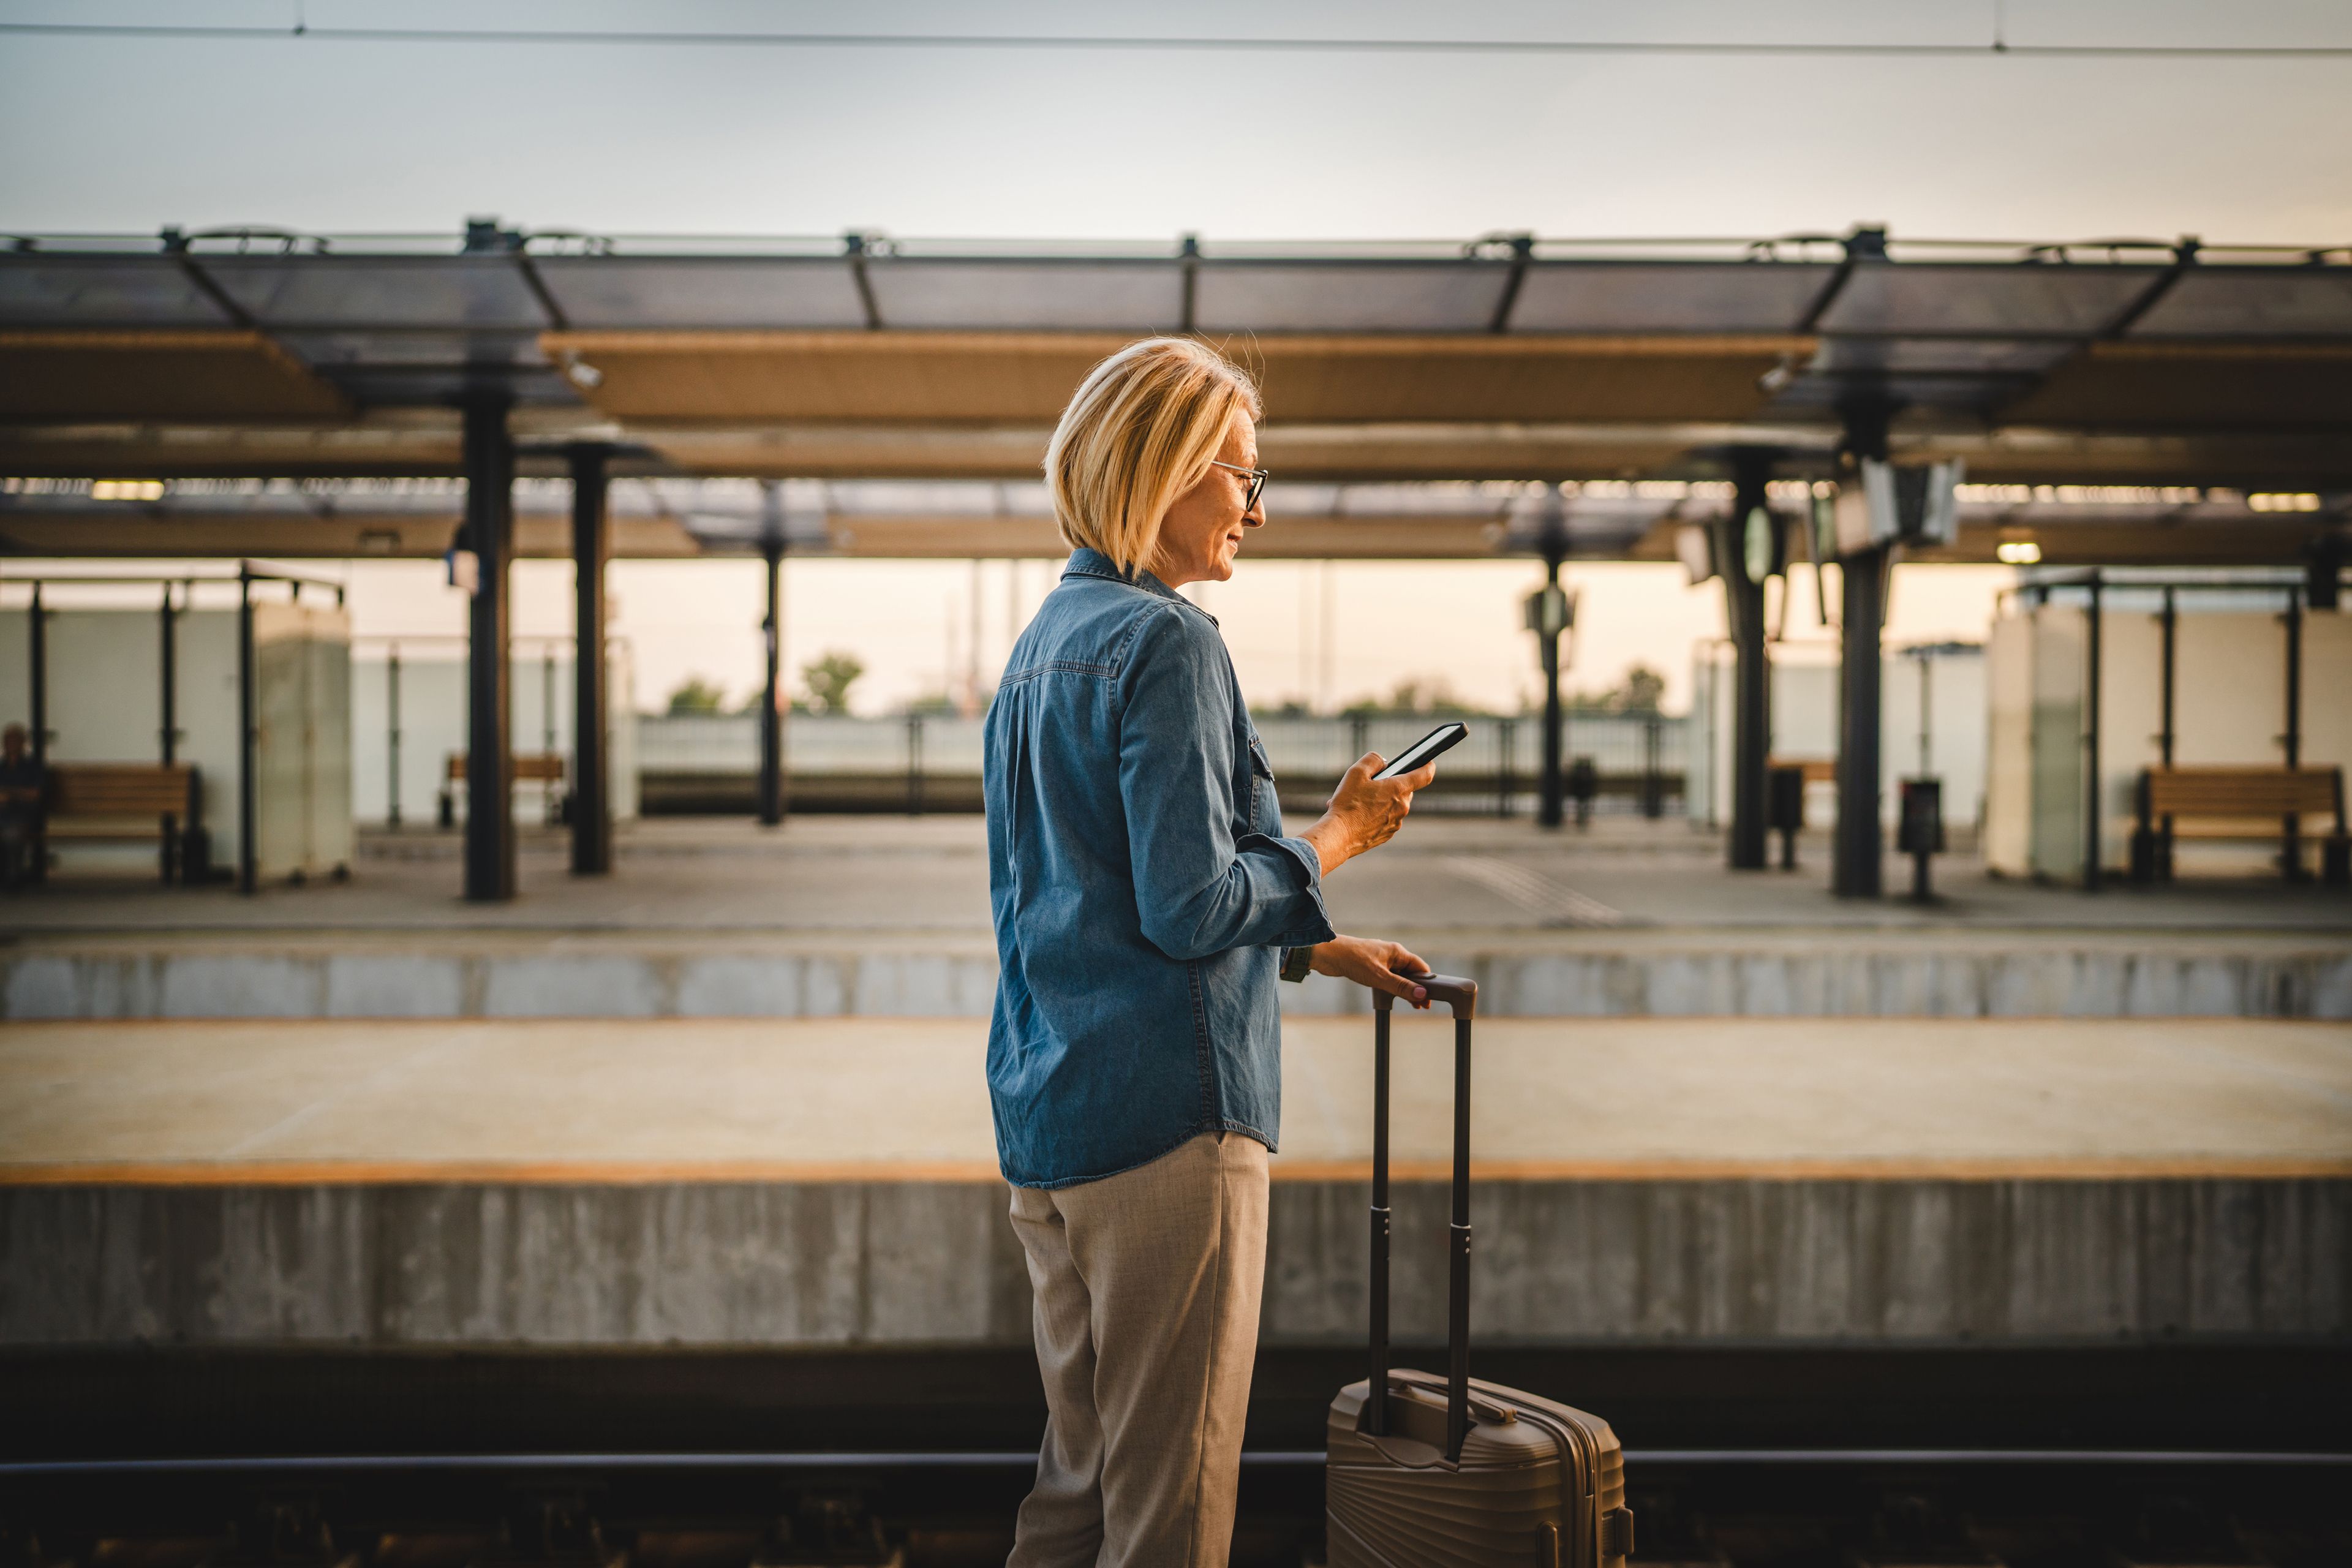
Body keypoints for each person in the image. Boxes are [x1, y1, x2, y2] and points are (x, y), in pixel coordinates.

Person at [984, 337, 1438, 1567]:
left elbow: (1095, 892)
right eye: (1239, 471)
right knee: (1169, 1509)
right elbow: (1186, 909)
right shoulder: (1171, 642)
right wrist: (1342, 836)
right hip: (1169, 1126)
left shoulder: (1043, 646)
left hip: (1052, 1112)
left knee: (1077, 1489)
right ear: (1164, 469)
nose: (1255, 502)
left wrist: (1319, 946)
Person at [0, 723, 47, 889]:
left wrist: (10, 794)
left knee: (12, 835)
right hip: (3, 814)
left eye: (15, 741)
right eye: (7, 741)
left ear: (23, 743)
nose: (11, 744)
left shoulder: (32, 767)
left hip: (23, 815)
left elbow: (35, 794)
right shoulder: (2, 767)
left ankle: (13, 877)